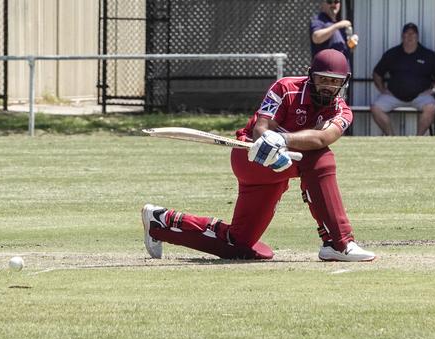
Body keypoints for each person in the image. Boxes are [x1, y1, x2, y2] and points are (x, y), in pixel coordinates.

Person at [141, 49, 376, 263]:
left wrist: (284, 140)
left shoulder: (342, 110)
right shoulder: (285, 88)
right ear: (310, 75)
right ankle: (338, 243)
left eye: (334, 82)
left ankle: (161, 221)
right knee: (319, 159)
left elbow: (323, 138)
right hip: (252, 155)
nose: (327, 86)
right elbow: (261, 127)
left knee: (240, 243)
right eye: (322, 79)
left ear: (344, 82)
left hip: (284, 163)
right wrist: (268, 139)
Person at [371, 23, 435, 136]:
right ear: (402, 36)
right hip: (393, 96)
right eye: (407, 34)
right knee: (375, 108)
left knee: (431, 107)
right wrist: (382, 89)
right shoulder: (392, 54)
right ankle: (391, 138)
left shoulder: (427, 55)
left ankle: (417, 139)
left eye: (412, 34)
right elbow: (377, 73)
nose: (410, 36)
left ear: (417, 36)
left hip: (421, 96)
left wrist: (433, 90)